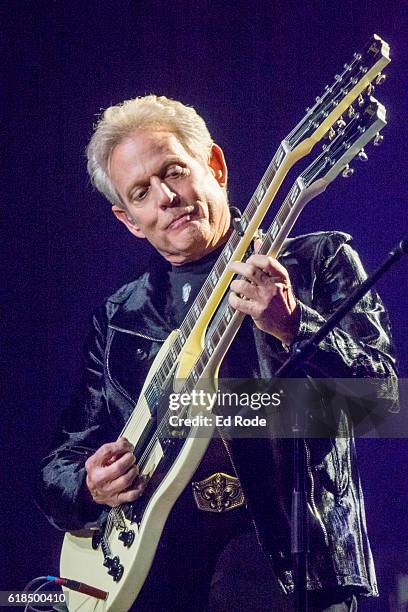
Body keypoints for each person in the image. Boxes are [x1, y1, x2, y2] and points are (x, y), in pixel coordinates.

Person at [36, 95, 398, 611]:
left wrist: (294, 326)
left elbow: (381, 404)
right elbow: (58, 465)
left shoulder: (316, 261)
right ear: (129, 220)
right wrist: (89, 484)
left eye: (175, 171)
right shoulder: (121, 317)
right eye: (141, 192)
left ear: (216, 166)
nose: (165, 197)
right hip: (156, 578)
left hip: (291, 570)